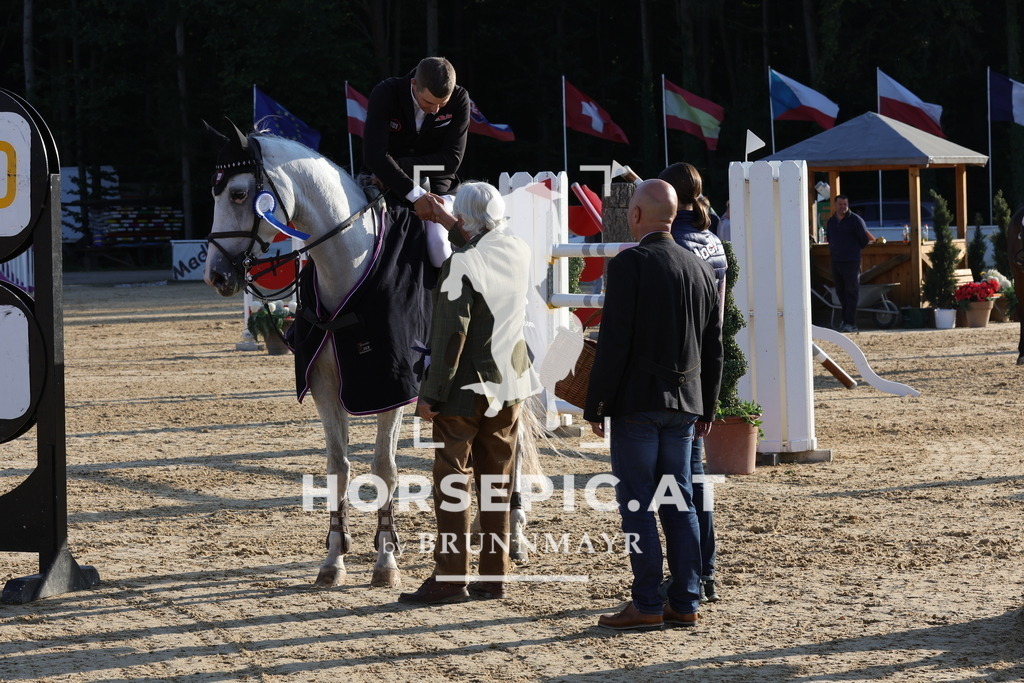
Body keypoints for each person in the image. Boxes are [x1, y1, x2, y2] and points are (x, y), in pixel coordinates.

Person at [584, 179, 723, 631]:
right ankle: (684, 601)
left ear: (638, 215)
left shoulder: (629, 264)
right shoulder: (701, 269)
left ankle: (645, 602)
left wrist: (596, 403)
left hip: (637, 404)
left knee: (638, 505)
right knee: (679, 503)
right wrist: (707, 407)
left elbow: (614, 341)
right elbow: (714, 346)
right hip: (685, 404)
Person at [399, 182, 540, 605]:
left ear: (464, 220)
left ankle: (450, 575)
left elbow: (451, 334)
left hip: (463, 391)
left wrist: (431, 393)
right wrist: (451, 221)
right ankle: (494, 574)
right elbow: (485, 243)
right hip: (510, 384)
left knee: (452, 481)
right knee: (496, 481)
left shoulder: (460, 264)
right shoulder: (518, 249)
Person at [658, 162, 727, 603]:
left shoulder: (674, 241)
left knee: (675, 485)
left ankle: (690, 576)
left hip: (674, 371)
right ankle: (707, 570)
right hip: (705, 365)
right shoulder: (714, 241)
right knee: (695, 479)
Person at [363, 56, 471, 268]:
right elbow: (373, 155)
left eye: (443, 103)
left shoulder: (460, 98)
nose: (435, 110)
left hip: (436, 184)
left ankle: (444, 297)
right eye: (428, 102)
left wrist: (398, 165)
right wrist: (413, 193)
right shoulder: (386, 93)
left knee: (438, 245)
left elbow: (451, 161)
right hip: (385, 184)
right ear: (413, 83)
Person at [826, 195, 874, 332]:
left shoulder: (855, 220)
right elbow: (830, 238)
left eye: (845, 204)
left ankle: (850, 323)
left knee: (851, 291)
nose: (843, 207)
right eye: (840, 204)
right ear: (835, 205)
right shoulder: (831, 222)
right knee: (840, 292)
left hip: (852, 261)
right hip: (836, 261)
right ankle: (845, 321)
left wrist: (852, 251)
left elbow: (864, 240)